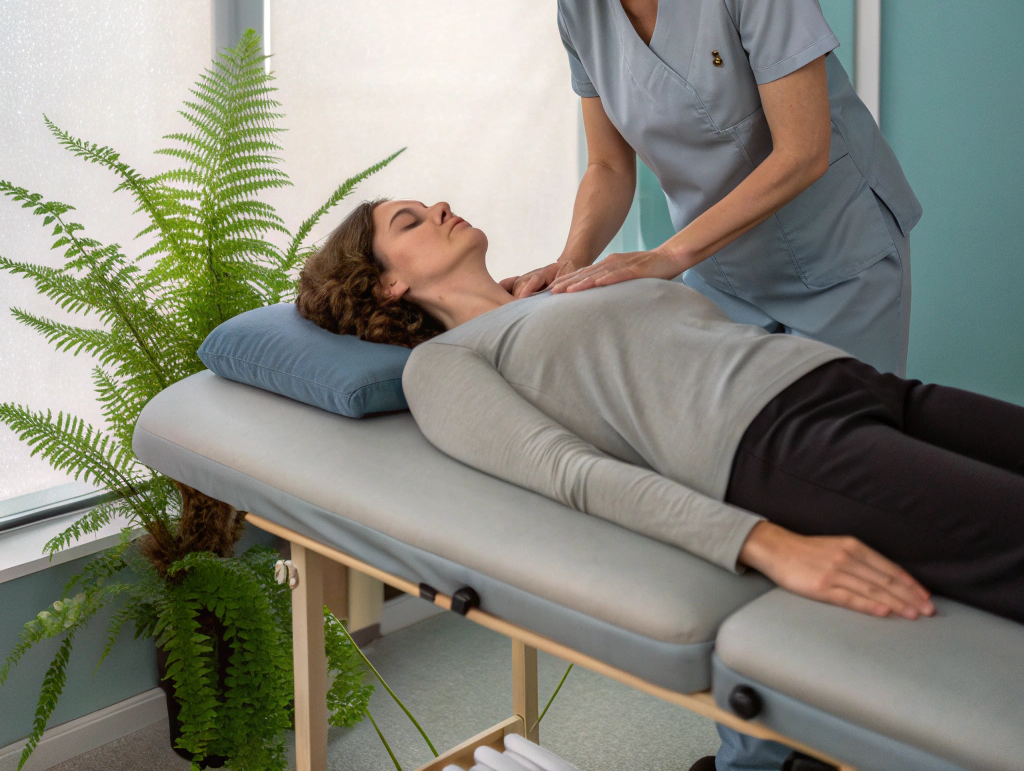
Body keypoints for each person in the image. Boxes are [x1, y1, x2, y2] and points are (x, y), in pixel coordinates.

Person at [470, 0, 924, 771]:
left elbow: (802, 150)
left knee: (838, 499)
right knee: (732, 513)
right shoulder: (579, 5)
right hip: (719, 275)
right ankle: (756, 754)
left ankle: (849, 736)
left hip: (835, 258)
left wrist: (668, 258)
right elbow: (609, 171)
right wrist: (568, 261)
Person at [296, 197, 1024, 634]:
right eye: (412, 219)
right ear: (389, 283)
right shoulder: (444, 364)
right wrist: (766, 543)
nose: (441, 205)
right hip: (779, 447)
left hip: (840, 378)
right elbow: (570, 473)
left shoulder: (559, 287)